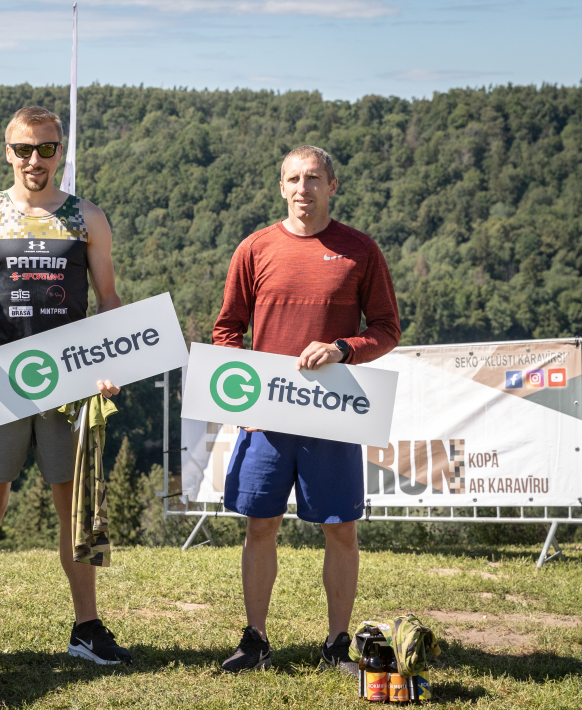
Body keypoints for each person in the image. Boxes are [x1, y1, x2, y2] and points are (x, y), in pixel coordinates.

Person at [0, 106, 131, 665]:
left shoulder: (87, 217)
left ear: (60, 151)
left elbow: (108, 299)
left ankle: (86, 630)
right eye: (24, 149)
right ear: (8, 151)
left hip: (72, 378)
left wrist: (110, 360)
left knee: (73, 510)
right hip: (1, 378)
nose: (34, 160)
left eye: (46, 148)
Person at [212, 145, 400, 674]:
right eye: (293, 179)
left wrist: (343, 349)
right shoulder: (255, 248)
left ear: (332, 186)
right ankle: (255, 640)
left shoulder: (360, 250)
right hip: (267, 418)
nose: (303, 188)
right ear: (281, 187)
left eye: (313, 178)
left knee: (340, 528)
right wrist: (242, 396)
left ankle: (336, 644)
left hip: (331, 415)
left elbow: (386, 329)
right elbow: (227, 331)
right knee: (260, 526)